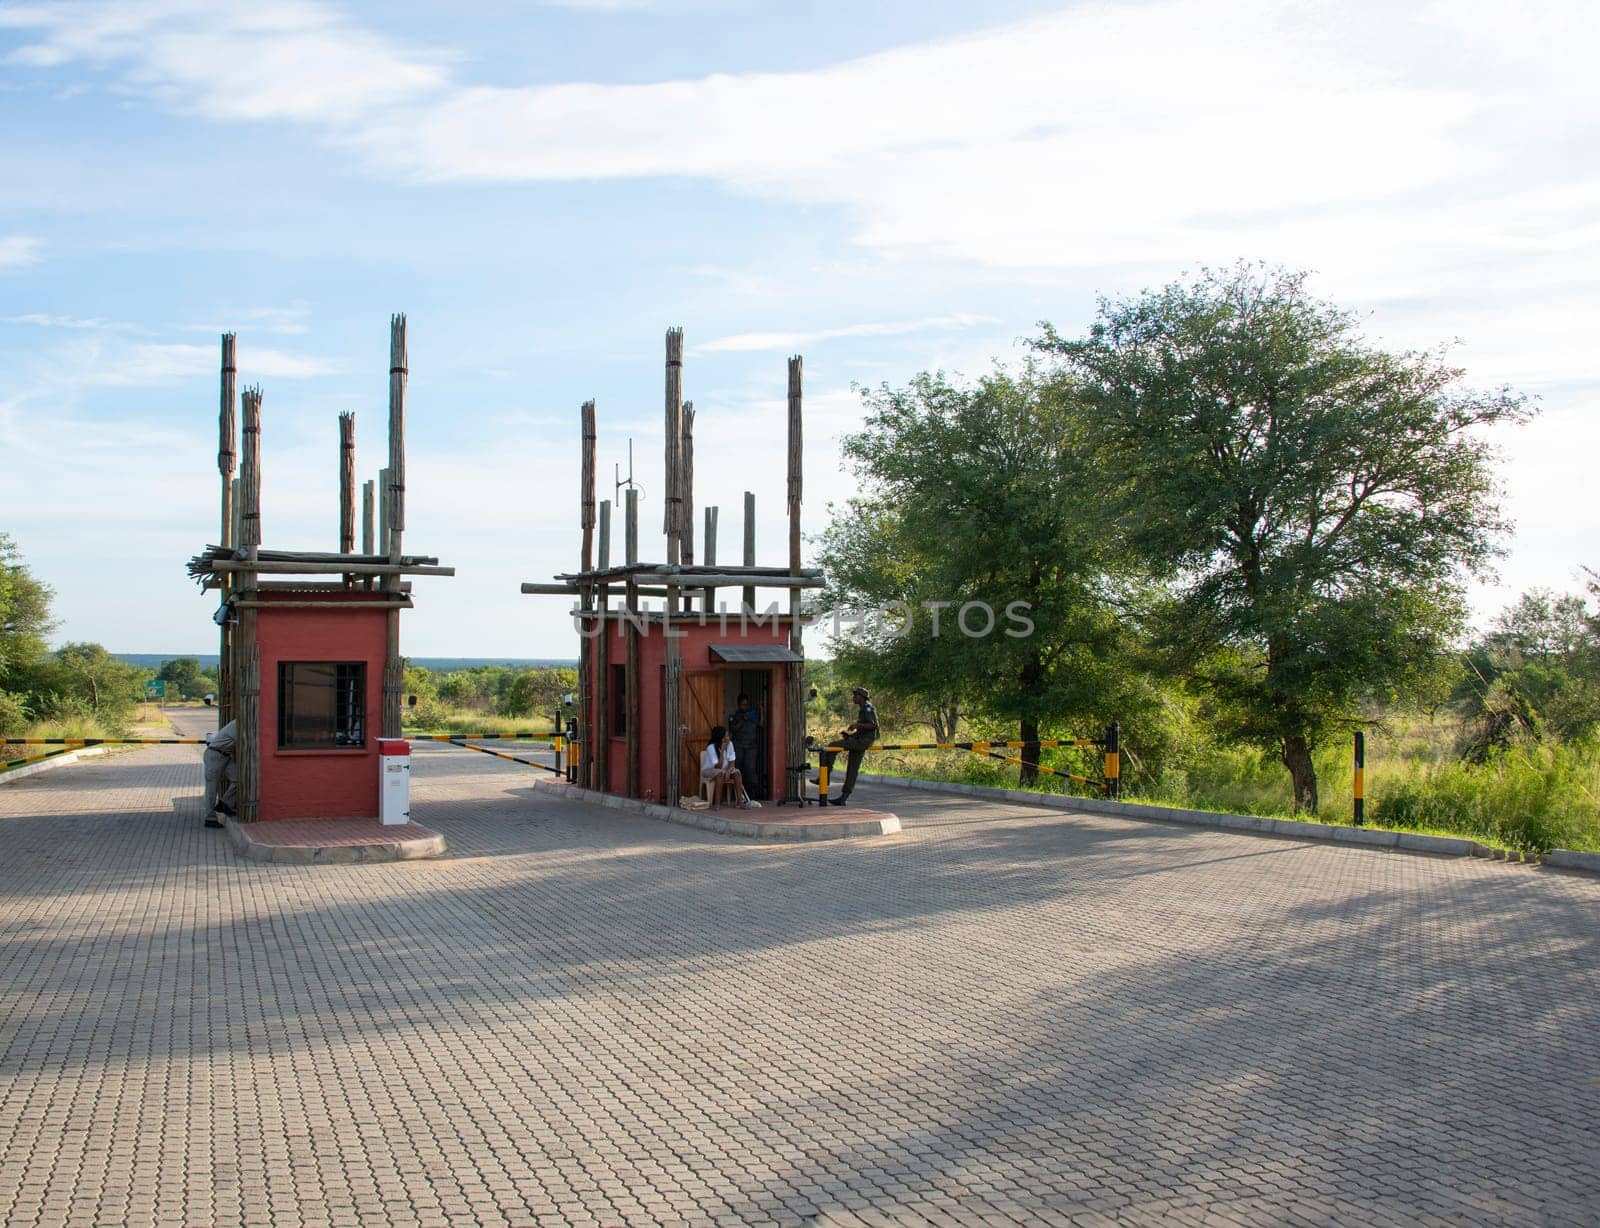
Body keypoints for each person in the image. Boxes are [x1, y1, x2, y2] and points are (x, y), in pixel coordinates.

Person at [820, 686, 878, 807]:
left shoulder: (867, 708)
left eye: (855, 695)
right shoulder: (863, 708)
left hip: (863, 742)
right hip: (860, 740)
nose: (853, 697)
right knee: (852, 769)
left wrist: (857, 725)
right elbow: (864, 729)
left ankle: (825, 777)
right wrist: (850, 736)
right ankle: (843, 798)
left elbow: (873, 726)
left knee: (832, 746)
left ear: (861, 697)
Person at [700, 725, 760, 810]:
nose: (728, 737)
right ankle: (717, 804)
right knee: (720, 773)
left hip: (724, 770)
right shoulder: (711, 747)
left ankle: (740, 803)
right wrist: (723, 750)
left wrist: (728, 771)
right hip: (709, 770)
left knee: (737, 773)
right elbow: (718, 766)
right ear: (721, 738)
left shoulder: (730, 744)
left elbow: (732, 762)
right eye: (726, 736)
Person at [203, 719, 238, 828]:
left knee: (238, 780)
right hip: (215, 754)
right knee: (212, 787)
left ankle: (224, 804)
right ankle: (210, 817)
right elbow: (242, 740)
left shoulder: (237, 723)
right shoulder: (237, 725)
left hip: (226, 755)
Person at [727, 692, 763, 798]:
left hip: (751, 747)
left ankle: (752, 794)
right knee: (738, 769)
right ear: (738, 705)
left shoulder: (752, 715)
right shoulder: (734, 716)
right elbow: (733, 729)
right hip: (738, 746)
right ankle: (737, 794)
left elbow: (761, 724)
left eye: (746, 704)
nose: (745, 706)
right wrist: (742, 720)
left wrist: (761, 710)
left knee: (750, 769)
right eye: (743, 704)